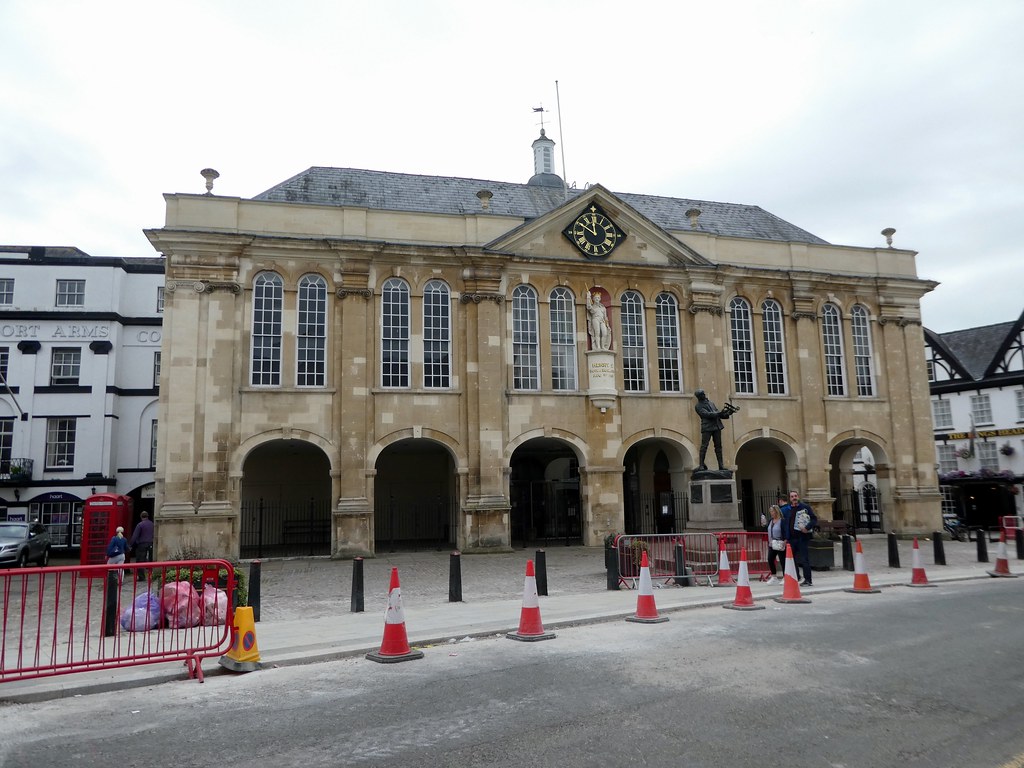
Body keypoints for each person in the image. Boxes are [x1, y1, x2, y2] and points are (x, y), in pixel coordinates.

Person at [781, 489, 818, 586]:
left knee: (804, 559)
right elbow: (785, 523)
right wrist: (785, 537)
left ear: (798, 497)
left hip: (802, 537)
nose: (794, 498)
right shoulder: (788, 509)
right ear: (789, 498)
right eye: (792, 496)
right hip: (791, 538)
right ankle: (796, 577)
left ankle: (808, 580)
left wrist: (807, 527)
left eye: (795, 496)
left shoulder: (805, 507)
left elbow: (814, 519)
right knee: (791, 560)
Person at [693, 389, 734, 471]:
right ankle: (701, 465)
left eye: (703, 394)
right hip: (707, 427)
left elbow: (717, 413)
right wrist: (719, 413)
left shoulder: (711, 403)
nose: (703, 395)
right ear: (698, 397)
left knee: (718, 447)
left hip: (717, 426)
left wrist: (726, 414)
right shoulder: (698, 406)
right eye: (701, 395)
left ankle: (721, 465)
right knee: (704, 446)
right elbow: (706, 414)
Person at [764, 504, 789, 584]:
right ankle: (774, 576)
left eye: (772, 511)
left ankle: (785, 577)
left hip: (780, 542)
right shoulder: (771, 521)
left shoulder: (782, 521)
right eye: (770, 511)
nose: (771, 513)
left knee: (782, 560)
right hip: (772, 543)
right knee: (770, 559)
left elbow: (785, 531)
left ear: (776, 511)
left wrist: (785, 541)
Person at [128, 511, 155, 580]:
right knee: (150, 560)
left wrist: (130, 545)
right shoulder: (152, 524)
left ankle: (141, 577)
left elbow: (135, 536)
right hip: (150, 544)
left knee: (140, 561)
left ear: (141, 517)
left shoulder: (140, 525)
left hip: (142, 544)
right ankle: (151, 575)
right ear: (147, 516)